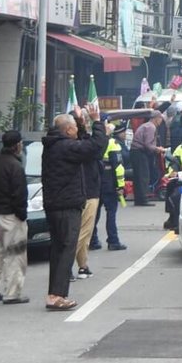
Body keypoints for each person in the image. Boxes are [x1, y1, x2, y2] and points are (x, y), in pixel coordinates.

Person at [42, 104, 108, 311]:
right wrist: (97, 121)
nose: (76, 132)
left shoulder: (55, 144)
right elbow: (96, 148)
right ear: (68, 130)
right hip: (66, 204)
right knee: (66, 249)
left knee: (59, 249)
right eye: (74, 128)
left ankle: (54, 293)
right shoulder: (64, 147)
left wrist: (82, 123)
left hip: (56, 203)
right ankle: (56, 295)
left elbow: (84, 146)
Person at [0, 130, 29, 304]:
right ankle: (12, 294)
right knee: (15, 256)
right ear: (17, 145)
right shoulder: (15, 166)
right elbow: (19, 195)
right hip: (11, 217)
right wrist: (21, 215)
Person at [73, 109, 104, 280]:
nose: (86, 122)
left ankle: (82, 266)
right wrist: (97, 121)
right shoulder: (78, 145)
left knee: (84, 232)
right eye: (83, 120)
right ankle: (65, 264)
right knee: (83, 231)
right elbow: (98, 146)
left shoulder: (67, 142)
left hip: (80, 190)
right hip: (87, 192)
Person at [89, 122, 127, 252]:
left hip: (94, 182)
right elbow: (119, 167)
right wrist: (120, 186)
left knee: (94, 213)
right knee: (111, 213)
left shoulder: (92, 142)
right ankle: (113, 241)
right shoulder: (112, 144)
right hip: (109, 183)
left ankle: (92, 240)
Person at [129, 110, 166, 206]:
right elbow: (148, 144)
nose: (161, 121)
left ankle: (139, 199)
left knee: (138, 176)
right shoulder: (151, 127)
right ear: (157, 118)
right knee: (143, 176)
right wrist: (158, 149)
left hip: (135, 152)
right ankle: (143, 199)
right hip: (139, 152)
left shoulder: (146, 125)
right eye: (161, 118)